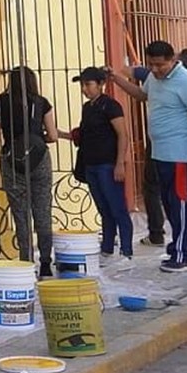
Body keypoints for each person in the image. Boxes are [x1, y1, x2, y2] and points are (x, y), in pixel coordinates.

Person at [109, 41, 187, 272]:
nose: (155, 69)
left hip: (180, 155)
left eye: (160, 65)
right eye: (151, 65)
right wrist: (117, 80)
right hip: (161, 154)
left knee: (182, 206)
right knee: (171, 204)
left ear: (173, 59)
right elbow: (141, 94)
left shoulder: (186, 82)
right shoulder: (154, 79)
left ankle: (182, 254)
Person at [0, 67, 57, 276]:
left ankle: (26, 263)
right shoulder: (41, 102)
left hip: (11, 160)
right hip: (40, 160)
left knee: (20, 214)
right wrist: (35, 141)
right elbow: (53, 135)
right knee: (43, 211)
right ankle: (45, 263)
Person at [60, 66, 132, 260]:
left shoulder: (110, 106)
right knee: (103, 208)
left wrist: (120, 164)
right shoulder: (87, 108)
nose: (85, 89)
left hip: (107, 165)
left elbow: (122, 135)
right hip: (91, 165)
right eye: (83, 85)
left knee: (117, 208)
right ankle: (107, 247)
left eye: (88, 84)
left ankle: (126, 249)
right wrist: (61, 135)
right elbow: (83, 136)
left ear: (101, 84)